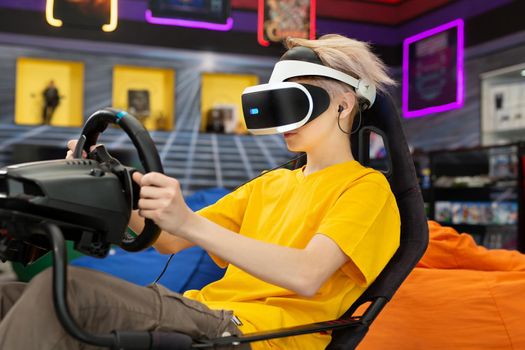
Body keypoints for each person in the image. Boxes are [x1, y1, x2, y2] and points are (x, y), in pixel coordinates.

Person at [0, 34, 399, 349]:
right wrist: (115, 183)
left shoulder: (366, 188)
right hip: (205, 312)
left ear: (344, 106)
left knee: (68, 292)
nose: (283, 121)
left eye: (293, 102)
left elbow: (307, 275)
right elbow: (169, 239)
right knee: (10, 295)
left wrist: (189, 221)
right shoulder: (269, 184)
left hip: (259, 334)